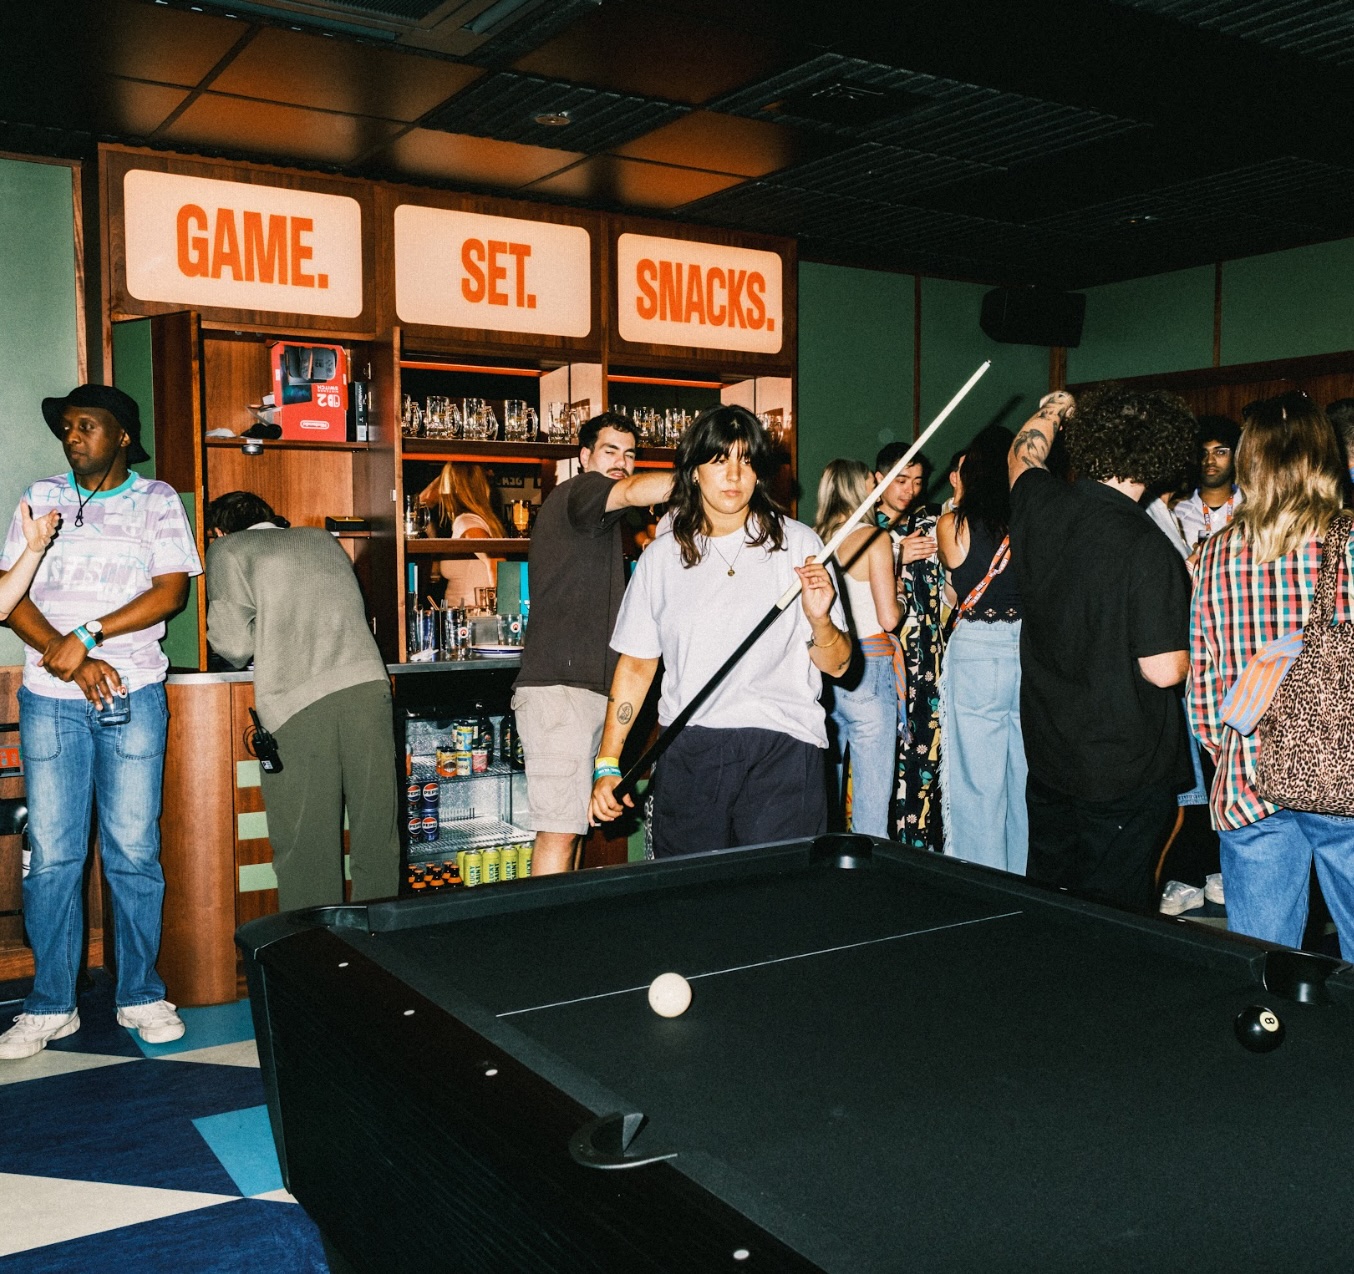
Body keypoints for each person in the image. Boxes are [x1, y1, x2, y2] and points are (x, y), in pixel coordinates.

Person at [0, 384, 200, 1059]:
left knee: (132, 851)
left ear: (122, 436)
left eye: (88, 425)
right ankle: (51, 1004)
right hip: (51, 696)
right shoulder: (40, 496)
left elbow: (170, 592)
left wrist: (88, 633)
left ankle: (140, 993)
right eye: (66, 426)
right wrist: (71, 658)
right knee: (53, 855)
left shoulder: (157, 501)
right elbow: (10, 594)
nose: (72, 435)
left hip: (134, 692)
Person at [590, 406, 849, 855]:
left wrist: (821, 617)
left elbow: (840, 664)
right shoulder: (661, 557)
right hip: (690, 749)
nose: (734, 474)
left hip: (783, 747)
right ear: (692, 472)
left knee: (775, 903)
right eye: (719, 460)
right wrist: (606, 761)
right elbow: (636, 665)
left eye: (746, 460)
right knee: (691, 905)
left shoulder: (801, 544)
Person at [1007, 385, 1196, 915]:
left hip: (1049, 753)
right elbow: (1162, 671)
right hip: (1120, 768)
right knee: (1114, 917)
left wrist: (1054, 410)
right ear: (1160, 455)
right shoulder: (1148, 547)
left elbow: (1021, 453)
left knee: (1050, 902)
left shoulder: (1039, 502)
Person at [1189, 391, 1354, 954]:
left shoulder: (1212, 553)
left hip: (1248, 776)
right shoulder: (1350, 541)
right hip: (1344, 777)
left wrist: (1229, 749)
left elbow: (1203, 679)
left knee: (1261, 964)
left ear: (1248, 461)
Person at [204, 490, 399, 910]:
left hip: (296, 701)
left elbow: (233, 644)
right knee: (376, 831)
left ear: (217, 530)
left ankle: (315, 957)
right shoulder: (321, 539)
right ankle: (378, 950)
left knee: (306, 842)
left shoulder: (227, 548)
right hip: (368, 686)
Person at [512, 413, 673, 875]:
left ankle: (560, 934)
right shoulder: (579, 491)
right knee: (559, 833)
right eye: (610, 451)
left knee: (575, 829)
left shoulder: (604, 525)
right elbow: (633, 490)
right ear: (584, 457)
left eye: (629, 454)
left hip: (589, 693)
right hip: (560, 693)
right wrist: (705, 476)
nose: (621, 463)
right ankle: (543, 945)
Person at [936, 424, 1027, 874]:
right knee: (1023, 774)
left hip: (975, 646)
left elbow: (955, 588)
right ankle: (1024, 876)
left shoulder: (953, 522)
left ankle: (982, 878)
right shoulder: (1031, 518)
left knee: (977, 777)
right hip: (1026, 647)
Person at [814, 459, 902, 838]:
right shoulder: (873, 538)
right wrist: (899, 596)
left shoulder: (813, 538)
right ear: (856, 488)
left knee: (825, 798)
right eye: (871, 482)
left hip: (826, 667)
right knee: (871, 803)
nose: (876, 488)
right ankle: (868, 893)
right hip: (870, 664)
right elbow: (888, 619)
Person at [874, 442, 946, 851]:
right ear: (880, 478)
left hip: (931, 657)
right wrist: (897, 553)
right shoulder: (868, 529)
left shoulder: (930, 521)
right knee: (891, 757)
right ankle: (891, 846)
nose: (910, 490)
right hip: (890, 658)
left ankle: (925, 843)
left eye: (917, 482)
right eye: (902, 480)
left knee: (928, 755)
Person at [419, 461, 504, 608]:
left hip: (470, 620)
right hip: (465, 619)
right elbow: (423, 502)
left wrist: (502, 611)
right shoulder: (473, 520)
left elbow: (497, 563)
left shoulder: (467, 522)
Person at [1173, 416, 1242, 549]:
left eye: (1220, 452)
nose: (1210, 460)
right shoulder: (1178, 512)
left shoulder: (1252, 507)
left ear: (1236, 456)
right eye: (1203, 453)